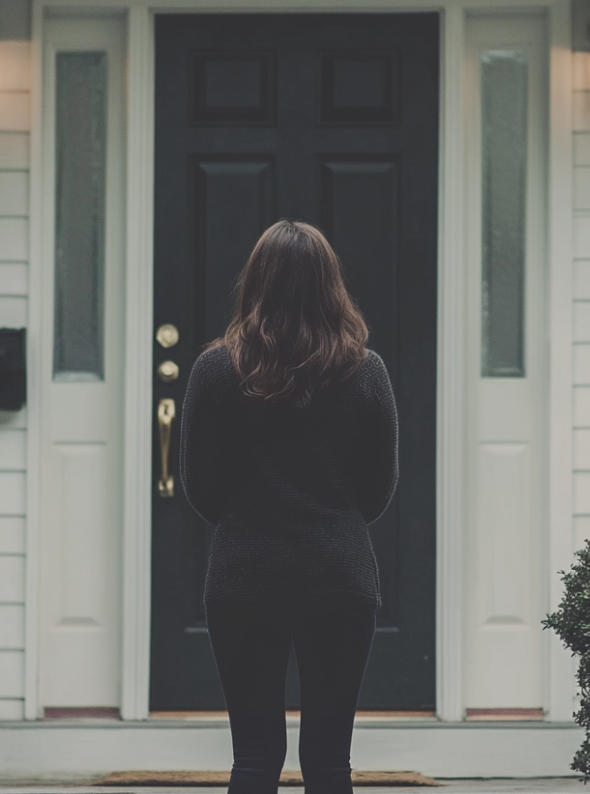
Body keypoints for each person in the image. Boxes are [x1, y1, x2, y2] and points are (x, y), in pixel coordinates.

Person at [180, 219, 400, 794]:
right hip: (339, 575)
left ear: (255, 284)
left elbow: (198, 485)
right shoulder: (367, 371)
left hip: (244, 576)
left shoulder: (214, 370)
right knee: (330, 760)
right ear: (332, 287)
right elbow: (380, 487)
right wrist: (333, 523)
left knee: (253, 756)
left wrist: (248, 523)